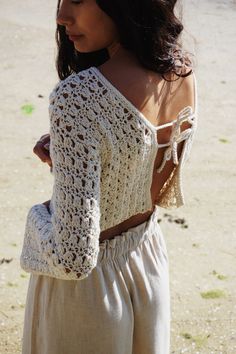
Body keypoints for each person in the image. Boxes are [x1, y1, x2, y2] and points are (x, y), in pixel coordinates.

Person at [20, 0, 198, 353]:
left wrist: (36, 217)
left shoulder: (78, 96)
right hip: (147, 263)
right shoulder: (181, 70)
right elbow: (143, 174)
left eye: (77, 0)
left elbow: (72, 256)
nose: (61, 16)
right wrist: (76, 152)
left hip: (86, 297)